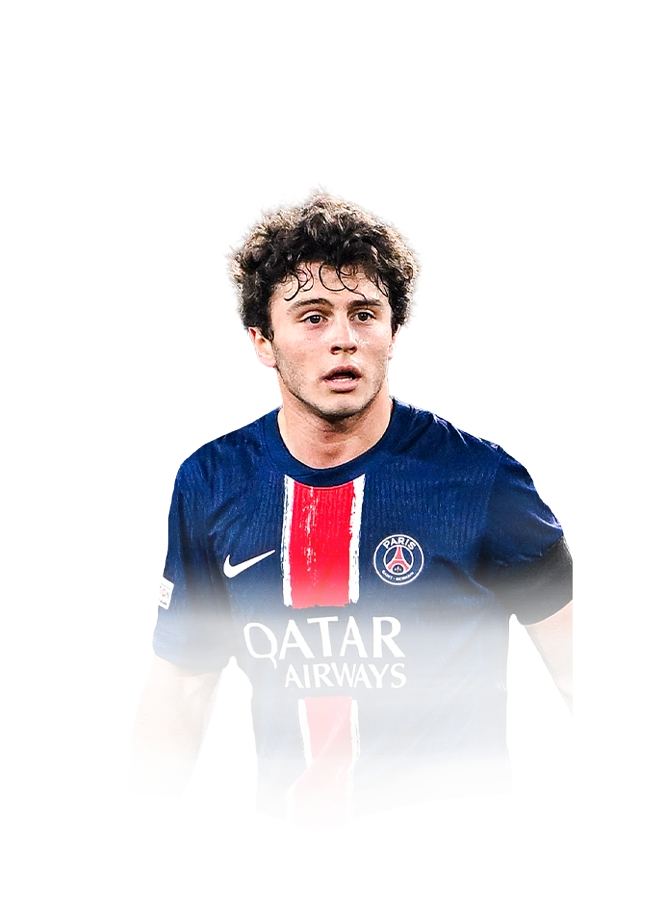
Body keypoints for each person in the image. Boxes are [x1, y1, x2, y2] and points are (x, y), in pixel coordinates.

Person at [128, 185, 574, 832]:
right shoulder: (212, 483)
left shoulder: (482, 482)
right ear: (263, 340)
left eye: (364, 313)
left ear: (393, 329)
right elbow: (183, 681)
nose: (344, 339)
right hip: (292, 852)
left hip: (459, 856)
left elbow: (581, 671)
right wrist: (140, 847)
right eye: (312, 317)